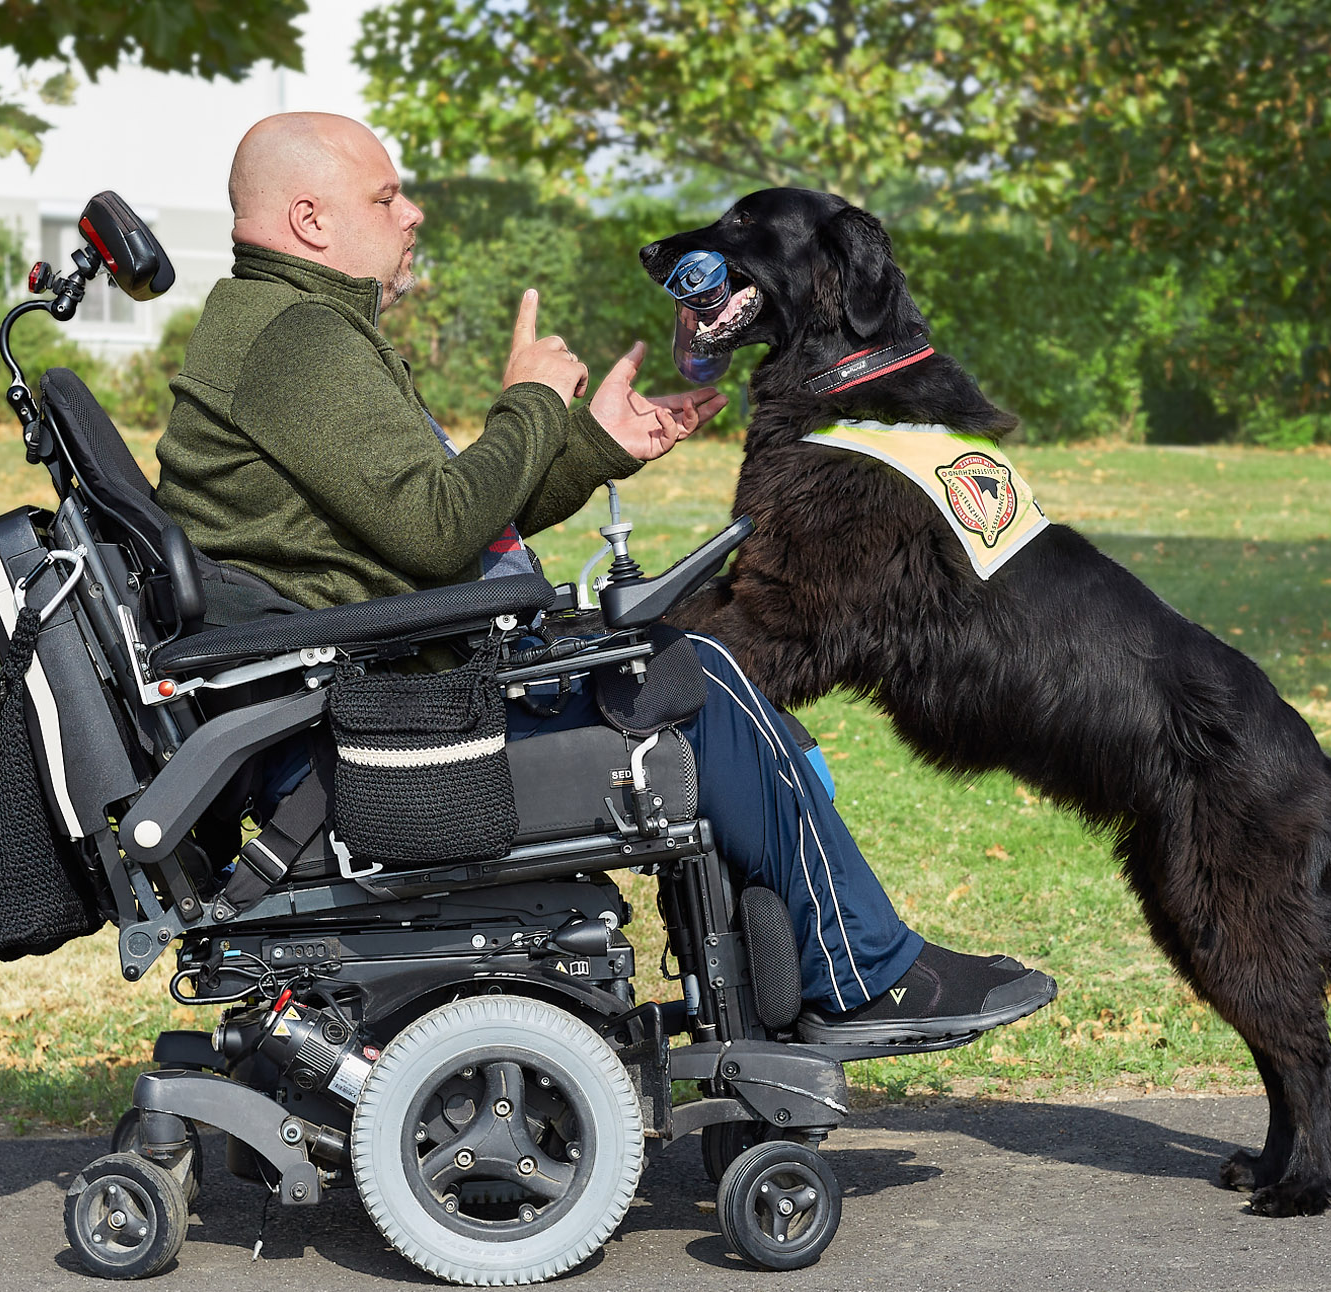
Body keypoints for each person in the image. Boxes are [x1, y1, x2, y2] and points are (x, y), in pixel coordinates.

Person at [154, 111, 1056, 1041]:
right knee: (698, 682)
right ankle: (865, 975)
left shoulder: (287, 326)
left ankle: (795, 986)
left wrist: (590, 444)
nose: (412, 211)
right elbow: (433, 531)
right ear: (309, 222)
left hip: (373, 695)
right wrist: (534, 402)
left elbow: (416, 527)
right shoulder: (299, 339)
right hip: (381, 734)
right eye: (385, 196)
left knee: (691, 665)